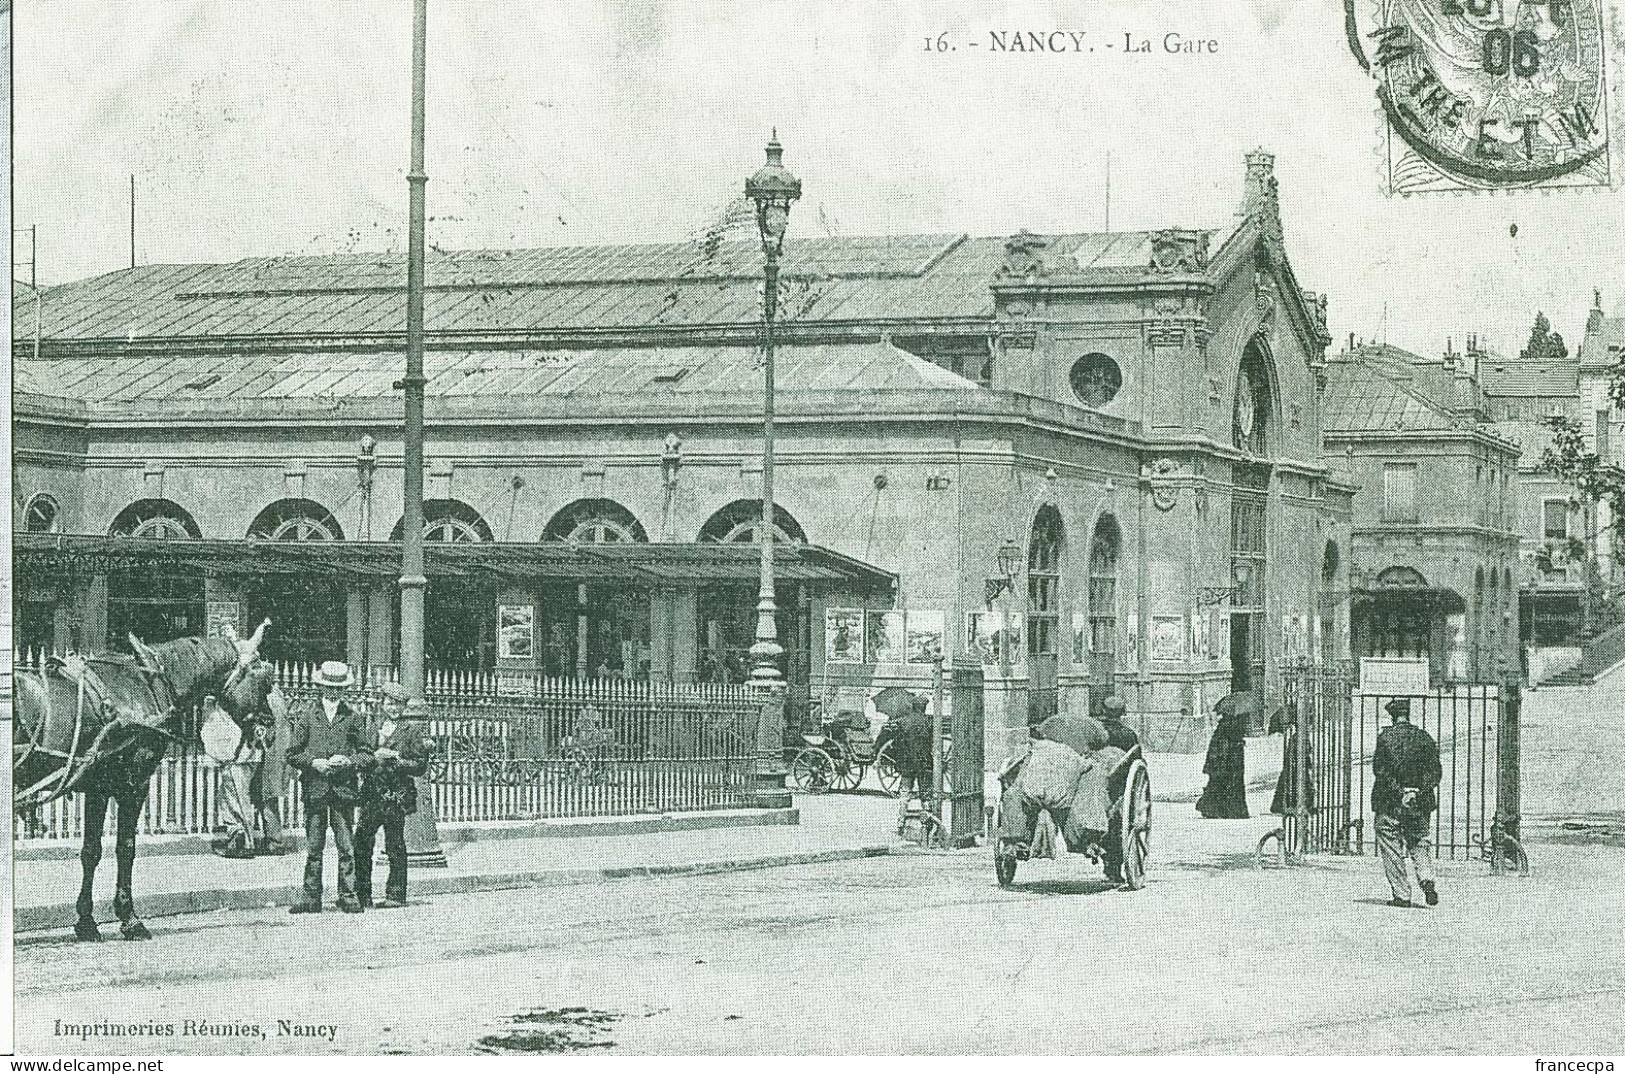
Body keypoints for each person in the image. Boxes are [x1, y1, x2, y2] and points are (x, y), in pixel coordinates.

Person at [285, 660, 372, 914]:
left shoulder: (353, 717)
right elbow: (292, 753)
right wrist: (313, 762)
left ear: (344, 690)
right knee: (314, 848)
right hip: (316, 789)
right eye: (328, 687)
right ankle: (311, 898)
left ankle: (348, 895)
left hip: (343, 791)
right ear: (321, 687)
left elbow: (367, 755)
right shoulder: (307, 716)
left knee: (346, 847)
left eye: (338, 688)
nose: (333, 692)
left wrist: (349, 761)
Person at [1000, 714, 1118, 859]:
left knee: (1013, 796)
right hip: (1062, 801)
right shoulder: (1075, 752)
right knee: (1083, 797)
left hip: (1031, 797)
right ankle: (1085, 842)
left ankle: (1017, 842)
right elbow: (1088, 763)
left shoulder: (1039, 748)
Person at [354, 682, 428, 909]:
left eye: (398, 704)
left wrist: (396, 759)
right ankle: (362, 894)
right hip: (372, 794)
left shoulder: (411, 731)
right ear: (382, 703)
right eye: (389, 703)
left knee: (395, 845)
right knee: (362, 843)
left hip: (396, 796)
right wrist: (373, 756)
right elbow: (362, 754)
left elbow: (419, 765)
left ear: (404, 707)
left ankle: (395, 895)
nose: (393, 708)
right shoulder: (371, 726)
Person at [1372, 698, 1442, 908]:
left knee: (1390, 844)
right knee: (1419, 841)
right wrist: (1417, 791)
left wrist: (1401, 791)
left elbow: (1380, 771)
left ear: (1392, 716)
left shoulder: (1385, 738)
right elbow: (1435, 772)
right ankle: (1426, 878)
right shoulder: (1425, 738)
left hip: (1391, 802)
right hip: (1419, 803)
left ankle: (1402, 894)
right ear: (1408, 714)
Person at [874, 695, 933, 835]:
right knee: (926, 794)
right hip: (924, 764)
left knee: (905, 793)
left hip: (907, 764)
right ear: (924, 707)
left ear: (913, 706)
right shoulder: (929, 723)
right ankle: (928, 822)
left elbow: (887, 735)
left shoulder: (902, 722)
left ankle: (901, 822)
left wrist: (879, 748)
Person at [1196, 693, 1252, 819]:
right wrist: (1238, 742)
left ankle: (1216, 809)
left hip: (1225, 758)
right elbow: (1228, 742)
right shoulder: (1231, 725)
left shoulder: (1225, 725)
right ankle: (1229, 810)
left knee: (1219, 783)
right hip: (1227, 759)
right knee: (1227, 783)